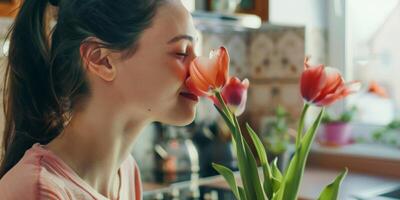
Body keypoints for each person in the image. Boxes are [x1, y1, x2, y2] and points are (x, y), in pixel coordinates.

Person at [0, 0, 199, 199]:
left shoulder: (126, 171)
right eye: (181, 52)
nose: (199, 68)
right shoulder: (37, 190)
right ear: (101, 60)